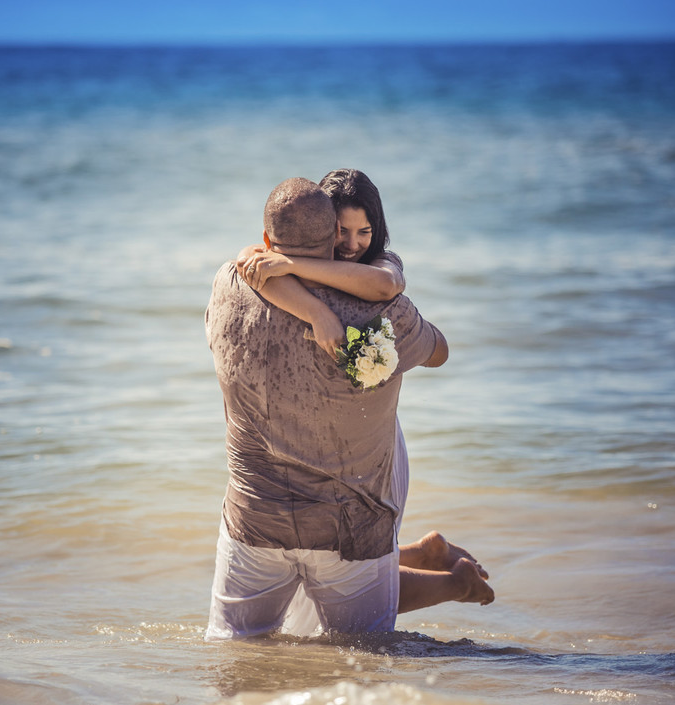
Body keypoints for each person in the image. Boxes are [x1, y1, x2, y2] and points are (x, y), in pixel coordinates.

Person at [205, 177, 489, 641]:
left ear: (267, 240)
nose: (353, 244)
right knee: (362, 658)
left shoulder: (228, 286)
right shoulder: (386, 315)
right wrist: (323, 313)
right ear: (330, 235)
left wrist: (316, 293)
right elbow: (438, 350)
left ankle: (435, 569)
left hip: (256, 517)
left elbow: (244, 266)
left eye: (363, 234)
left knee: (233, 655)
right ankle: (432, 563)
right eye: (343, 233)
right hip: (349, 521)